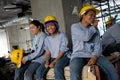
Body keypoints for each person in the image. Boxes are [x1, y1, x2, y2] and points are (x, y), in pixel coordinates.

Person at [70, 5, 119, 80]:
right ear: (83, 15)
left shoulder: (95, 29)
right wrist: (94, 27)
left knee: (112, 71)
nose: (93, 17)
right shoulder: (75, 27)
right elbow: (85, 37)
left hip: (93, 55)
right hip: (78, 55)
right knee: (75, 75)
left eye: (94, 16)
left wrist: (95, 57)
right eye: (91, 15)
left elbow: (98, 45)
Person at [36, 15, 71, 80]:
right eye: (48, 26)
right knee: (39, 71)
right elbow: (48, 52)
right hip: (52, 57)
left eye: (52, 25)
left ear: (56, 26)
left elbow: (62, 52)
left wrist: (54, 62)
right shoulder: (47, 39)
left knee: (57, 68)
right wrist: (47, 62)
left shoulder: (62, 35)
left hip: (64, 56)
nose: (50, 28)